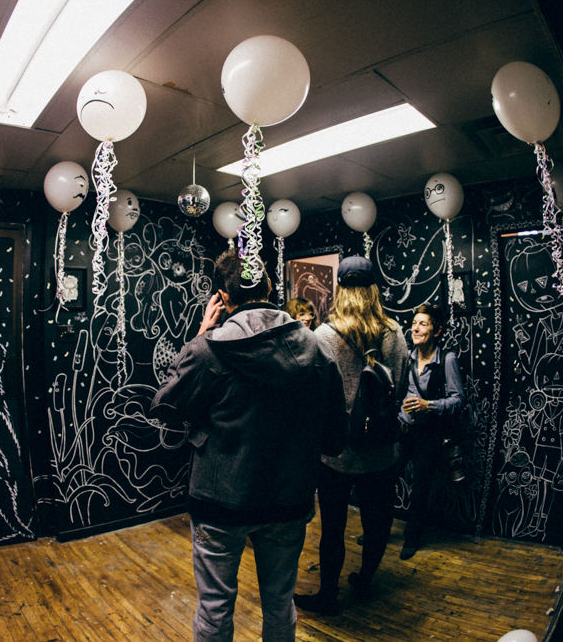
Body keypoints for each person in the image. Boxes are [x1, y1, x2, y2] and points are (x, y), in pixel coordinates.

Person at [150, 250, 347, 642]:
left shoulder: (207, 350)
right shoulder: (318, 349)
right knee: (279, 604)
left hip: (219, 501)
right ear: (270, 286)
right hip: (289, 500)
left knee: (215, 608)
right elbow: (335, 439)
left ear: (223, 297)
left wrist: (201, 334)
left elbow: (165, 406)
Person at [294, 255, 409, 615]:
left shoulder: (323, 336)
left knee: (333, 527)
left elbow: (311, 395)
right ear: (374, 288)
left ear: (339, 290)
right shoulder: (394, 333)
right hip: (381, 448)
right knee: (378, 523)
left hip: (336, 452)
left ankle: (328, 595)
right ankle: (365, 580)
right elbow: (401, 385)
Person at [398, 304, 465, 560]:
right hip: (402, 431)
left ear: (436, 331)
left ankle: (412, 537)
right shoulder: (405, 357)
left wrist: (429, 405)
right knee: (385, 479)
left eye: (423, 324)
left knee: (420, 487)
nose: (415, 328)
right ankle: (378, 530)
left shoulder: (447, 359)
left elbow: (458, 399)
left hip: (427, 435)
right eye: (414, 323)